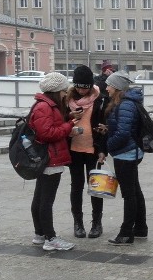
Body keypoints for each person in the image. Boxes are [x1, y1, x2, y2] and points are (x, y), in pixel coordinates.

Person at [30, 72, 81, 251]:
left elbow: (50, 126)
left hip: (48, 158)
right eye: (63, 90)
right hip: (50, 158)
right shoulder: (45, 107)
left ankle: (39, 234)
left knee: (39, 198)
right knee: (46, 201)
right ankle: (50, 238)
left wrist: (67, 119)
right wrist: (69, 126)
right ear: (56, 90)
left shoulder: (46, 105)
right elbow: (47, 133)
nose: (65, 94)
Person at [101, 71, 148, 245]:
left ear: (117, 87)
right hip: (129, 151)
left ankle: (126, 233)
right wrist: (108, 130)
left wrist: (109, 145)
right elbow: (122, 127)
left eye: (109, 85)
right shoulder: (126, 102)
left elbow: (123, 132)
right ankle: (141, 228)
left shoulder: (125, 104)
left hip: (126, 153)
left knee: (129, 195)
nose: (107, 88)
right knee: (135, 191)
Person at [67, 65, 108, 239]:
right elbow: (59, 122)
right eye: (78, 86)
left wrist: (103, 149)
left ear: (91, 85)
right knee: (76, 187)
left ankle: (97, 223)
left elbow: (106, 125)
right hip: (73, 150)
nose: (81, 90)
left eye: (85, 86)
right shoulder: (67, 99)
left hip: (93, 149)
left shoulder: (100, 100)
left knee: (95, 187)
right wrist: (69, 117)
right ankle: (78, 223)